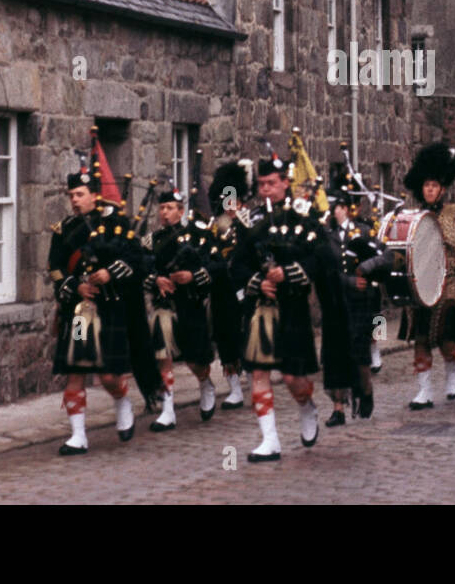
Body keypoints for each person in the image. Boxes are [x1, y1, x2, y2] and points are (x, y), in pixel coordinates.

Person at [231, 155, 353, 462]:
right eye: (261, 184)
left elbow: (322, 259)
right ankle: (269, 440)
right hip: (262, 310)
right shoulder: (252, 222)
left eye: (272, 183)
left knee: (291, 379)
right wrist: (258, 281)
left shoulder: (304, 217)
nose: (266, 190)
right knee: (259, 372)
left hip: (293, 309)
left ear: (286, 183)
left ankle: (307, 406)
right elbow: (236, 265)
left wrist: (289, 273)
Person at [48, 169, 144, 455]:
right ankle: (78, 436)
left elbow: (136, 260)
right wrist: (75, 286)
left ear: (94, 196)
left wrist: (109, 273)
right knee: (76, 369)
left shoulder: (116, 224)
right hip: (79, 314)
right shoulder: (64, 229)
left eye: (80, 195)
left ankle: (123, 399)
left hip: (109, 309)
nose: (75, 200)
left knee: (108, 376)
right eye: (71, 195)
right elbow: (55, 267)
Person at [398, 143, 455, 410]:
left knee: (446, 340)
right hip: (419, 285)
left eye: (434, 185)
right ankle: (424, 390)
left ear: (442, 188)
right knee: (420, 340)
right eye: (426, 185)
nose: (430, 190)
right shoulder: (411, 216)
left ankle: (452, 371)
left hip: (447, 285)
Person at [145, 186, 220, 431]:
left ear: (181, 211)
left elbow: (217, 266)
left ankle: (206, 383)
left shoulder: (198, 235)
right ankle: (168, 410)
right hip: (164, 305)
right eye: (162, 208)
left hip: (191, 305)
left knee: (194, 360)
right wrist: (156, 280)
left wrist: (193, 276)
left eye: (170, 208)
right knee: (162, 355)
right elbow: (141, 270)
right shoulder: (153, 240)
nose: (164, 213)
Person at [324, 191, 381, 427]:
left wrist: (365, 270)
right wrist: (347, 282)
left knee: (360, 357)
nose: (331, 211)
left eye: (335, 207)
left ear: (345, 209)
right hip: (337, 300)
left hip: (360, 302)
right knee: (335, 356)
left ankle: (365, 392)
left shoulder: (364, 231)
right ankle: (338, 408)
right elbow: (325, 270)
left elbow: (385, 256)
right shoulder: (326, 236)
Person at [206, 161, 253, 410]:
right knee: (226, 338)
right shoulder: (215, 228)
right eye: (227, 199)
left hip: (246, 288)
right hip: (222, 291)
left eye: (234, 199)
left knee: (248, 337)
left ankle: (255, 382)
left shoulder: (249, 225)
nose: (231, 205)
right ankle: (234, 388)